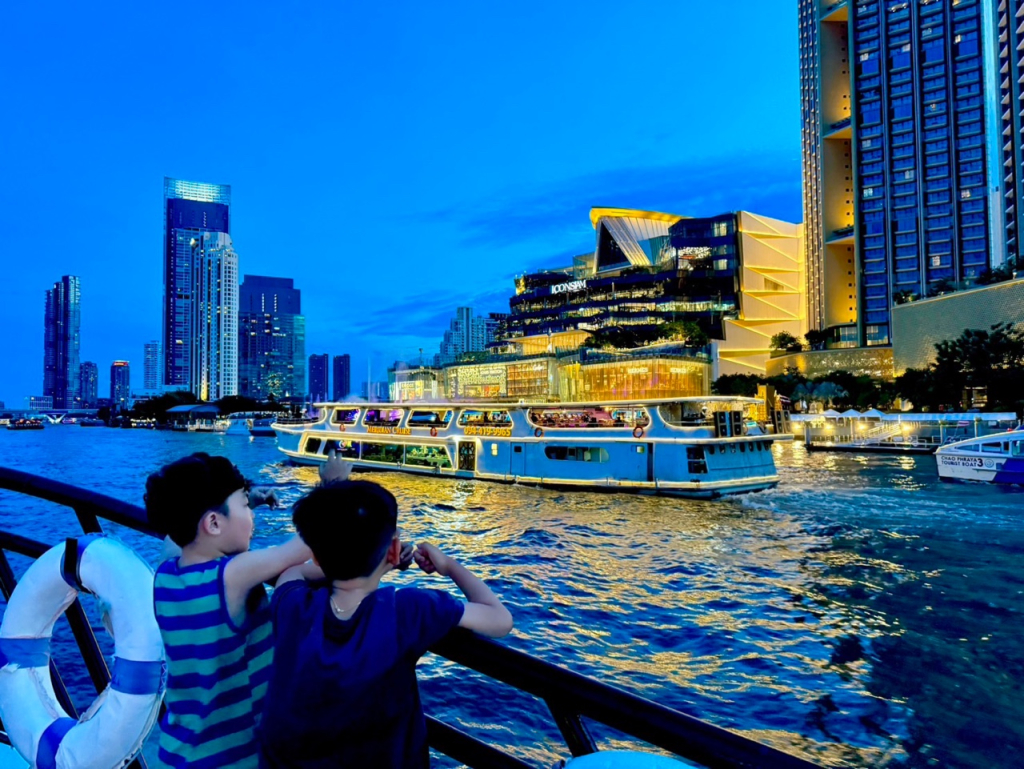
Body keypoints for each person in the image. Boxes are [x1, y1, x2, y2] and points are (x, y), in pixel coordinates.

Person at [257, 480, 513, 768]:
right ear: (393, 550)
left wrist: (368, 562)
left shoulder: (292, 604)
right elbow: (500, 619)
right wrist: (448, 566)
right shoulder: (407, 610)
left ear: (315, 556)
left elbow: (295, 571)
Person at [146, 450, 350, 768]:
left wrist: (244, 502)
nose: (251, 517)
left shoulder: (166, 573)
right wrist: (333, 485)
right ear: (213, 522)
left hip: (180, 751)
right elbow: (305, 546)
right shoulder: (231, 576)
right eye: (244, 506)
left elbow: (184, 533)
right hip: (233, 758)